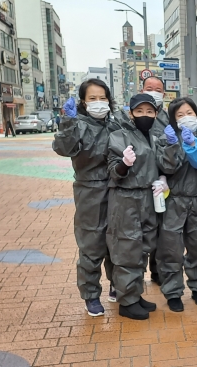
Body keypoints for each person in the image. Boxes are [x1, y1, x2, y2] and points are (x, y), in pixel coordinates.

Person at [106, 93, 182, 320]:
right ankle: (127, 301)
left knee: (143, 248)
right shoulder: (120, 135)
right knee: (127, 248)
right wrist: (123, 165)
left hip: (148, 198)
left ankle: (135, 294)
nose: (145, 116)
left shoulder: (154, 136)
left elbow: (166, 165)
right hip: (126, 198)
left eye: (150, 112)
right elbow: (113, 169)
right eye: (140, 112)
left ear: (156, 114)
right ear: (131, 113)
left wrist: (170, 148)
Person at [52, 78, 119, 316]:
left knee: (117, 241)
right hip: (89, 190)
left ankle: (117, 285)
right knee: (92, 244)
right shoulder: (78, 125)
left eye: (102, 98)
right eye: (92, 98)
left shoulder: (115, 124)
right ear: (83, 101)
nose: (98, 103)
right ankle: (91, 295)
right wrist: (67, 123)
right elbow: (64, 148)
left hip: (117, 188)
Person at [154, 97, 197, 312]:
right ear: (172, 119)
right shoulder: (165, 140)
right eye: (180, 115)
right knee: (171, 250)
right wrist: (171, 146)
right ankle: (173, 291)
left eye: (190, 114)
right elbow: (167, 169)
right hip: (173, 201)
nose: (186, 118)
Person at [114, 76, 169, 285]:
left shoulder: (166, 119)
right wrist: (124, 164)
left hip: (156, 190)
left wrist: (164, 176)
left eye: (158, 89)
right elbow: (115, 162)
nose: (145, 115)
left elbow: (166, 155)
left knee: (153, 237)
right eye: (149, 88)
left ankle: (153, 275)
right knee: (130, 244)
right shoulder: (123, 126)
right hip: (130, 192)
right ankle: (126, 292)